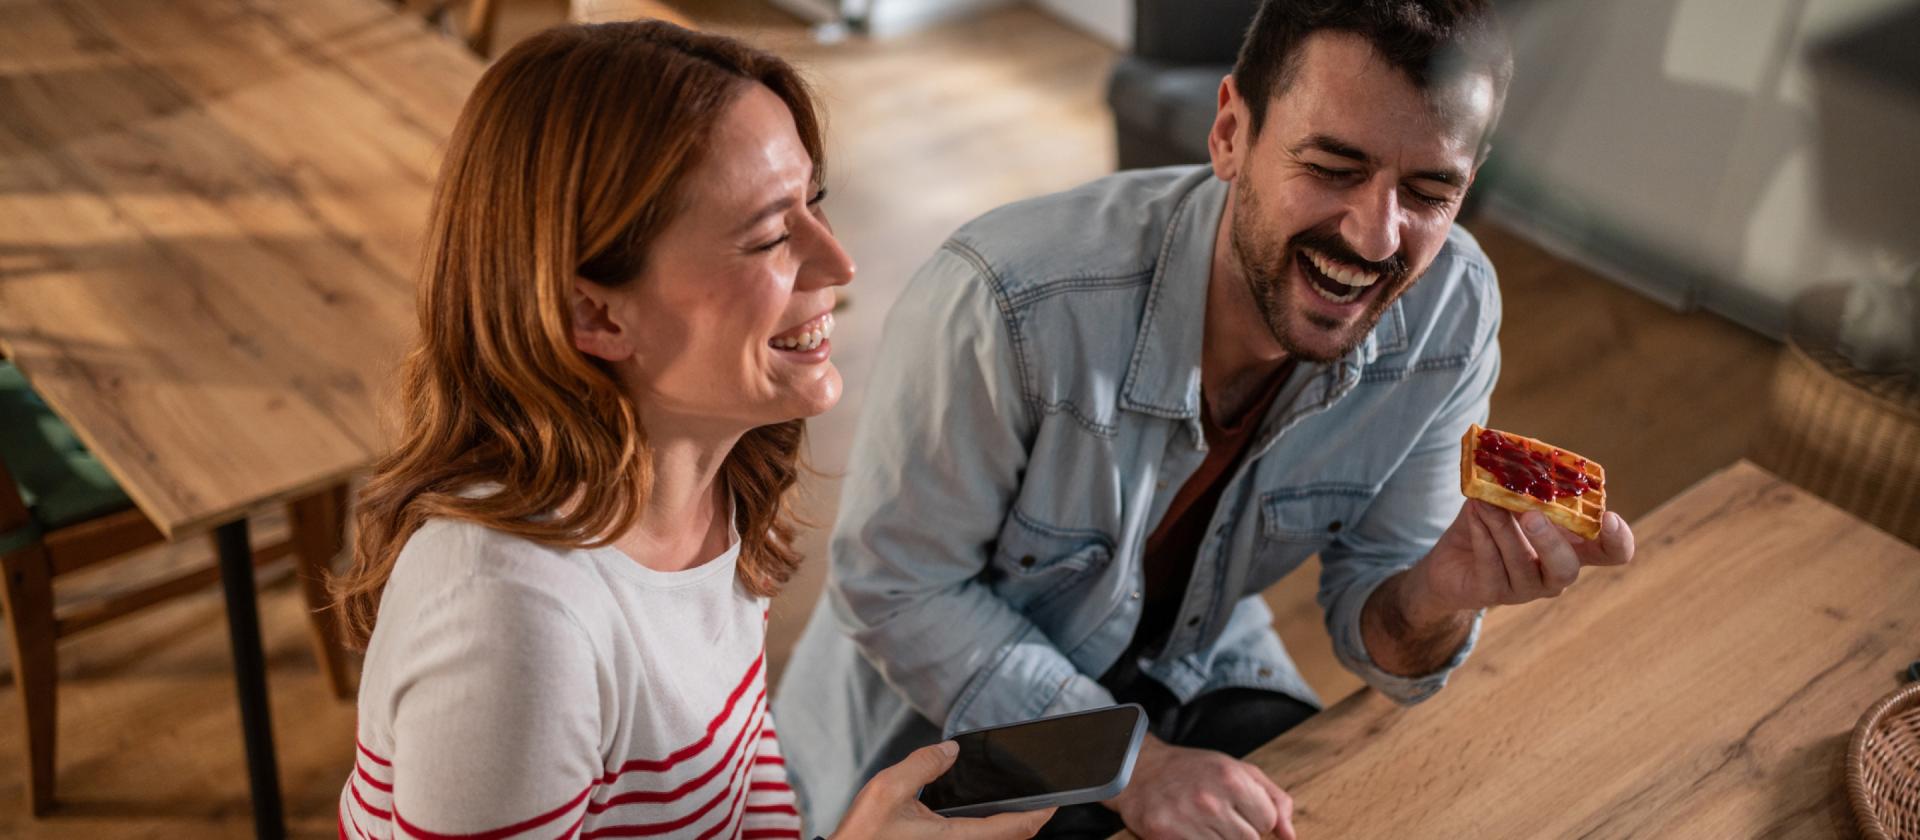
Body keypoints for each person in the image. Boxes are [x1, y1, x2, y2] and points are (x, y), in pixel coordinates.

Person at [774, 2, 1637, 837]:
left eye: (1428, 190)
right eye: (1333, 168)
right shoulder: (1006, 302)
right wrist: (1138, 769)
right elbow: (897, 592)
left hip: (1189, 663)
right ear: (1230, 134)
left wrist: (1439, 595)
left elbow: (1384, 636)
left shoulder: (1451, 308)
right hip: (934, 727)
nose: (1376, 237)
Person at [328, 22, 1053, 840]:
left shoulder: (711, 482)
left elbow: (747, 794)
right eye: (772, 235)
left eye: (812, 203)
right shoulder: (512, 623)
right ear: (594, 312)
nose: (838, 263)